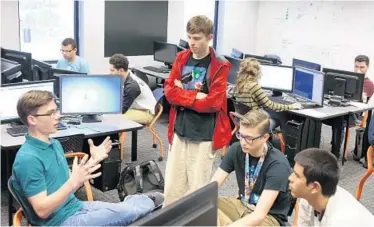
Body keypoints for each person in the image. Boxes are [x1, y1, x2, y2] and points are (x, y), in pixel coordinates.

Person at [12, 90, 163, 226]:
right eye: (51, 113)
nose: (58, 116)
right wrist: (73, 182)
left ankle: (142, 202)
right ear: (32, 119)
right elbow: (42, 211)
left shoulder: (54, 143)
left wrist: (93, 160)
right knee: (131, 213)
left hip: (75, 206)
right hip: (59, 222)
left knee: (129, 212)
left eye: (56, 110)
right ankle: (145, 202)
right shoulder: (28, 159)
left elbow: (62, 185)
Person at [163, 15, 232, 205]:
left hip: (203, 135)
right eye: (190, 37)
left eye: (197, 38)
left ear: (209, 37)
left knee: (196, 192)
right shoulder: (181, 58)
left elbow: (213, 103)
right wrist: (196, 96)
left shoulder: (219, 64)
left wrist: (182, 92)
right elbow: (169, 92)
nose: (192, 43)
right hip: (180, 130)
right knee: (172, 190)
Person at [211, 109, 292, 226]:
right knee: (205, 209)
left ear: (264, 137)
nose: (243, 142)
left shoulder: (278, 165)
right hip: (242, 204)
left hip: (269, 216)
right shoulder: (236, 149)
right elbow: (213, 184)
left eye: (249, 138)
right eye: (241, 135)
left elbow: (259, 215)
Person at [289, 148, 374, 226]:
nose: (290, 178)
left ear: (315, 187)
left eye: (297, 176)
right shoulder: (308, 197)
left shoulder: (341, 220)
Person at [234, 58, 302, 132]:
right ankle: (285, 142)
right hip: (254, 123)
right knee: (282, 115)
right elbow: (271, 106)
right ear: (256, 72)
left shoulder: (239, 84)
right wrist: (291, 106)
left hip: (243, 120)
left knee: (273, 113)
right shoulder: (254, 86)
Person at [109, 54, 157, 125]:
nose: (110, 73)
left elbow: (122, 110)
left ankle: (117, 136)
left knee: (117, 118)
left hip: (147, 113)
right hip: (136, 108)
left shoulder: (131, 86)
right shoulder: (127, 75)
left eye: (112, 70)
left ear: (121, 70)